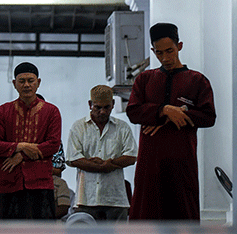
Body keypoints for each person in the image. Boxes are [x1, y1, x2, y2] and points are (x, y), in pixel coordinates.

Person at [126, 22, 216, 221]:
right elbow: (133, 111)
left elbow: (208, 117)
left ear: (180, 46)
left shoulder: (197, 81)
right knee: (146, 217)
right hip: (149, 166)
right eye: (159, 53)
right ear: (153, 51)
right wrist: (164, 110)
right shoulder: (145, 79)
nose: (165, 58)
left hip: (182, 164)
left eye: (170, 51)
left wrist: (179, 113)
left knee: (182, 217)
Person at [0, 62, 62, 219]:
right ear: (14, 84)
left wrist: (21, 155)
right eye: (22, 81)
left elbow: (53, 144)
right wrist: (20, 146)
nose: (26, 85)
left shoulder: (52, 111)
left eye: (31, 80)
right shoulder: (2, 112)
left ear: (38, 82)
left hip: (41, 183)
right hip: (9, 183)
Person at [66, 85, 138, 221]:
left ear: (113, 105)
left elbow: (132, 156)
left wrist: (109, 164)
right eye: (98, 107)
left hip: (115, 200)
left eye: (107, 107)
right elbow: (73, 159)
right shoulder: (78, 127)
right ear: (90, 104)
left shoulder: (122, 127)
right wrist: (103, 167)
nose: (103, 112)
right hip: (86, 199)